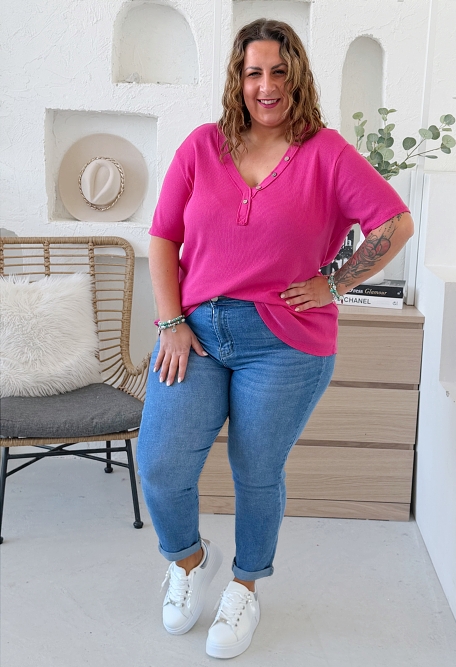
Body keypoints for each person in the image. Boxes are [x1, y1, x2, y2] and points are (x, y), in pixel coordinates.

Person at [137, 18, 414, 659]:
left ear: (298, 77)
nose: (267, 86)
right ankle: (189, 562)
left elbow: (394, 224)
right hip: (197, 333)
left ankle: (245, 586)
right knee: (161, 462)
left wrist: (334, 283)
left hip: (284, 343)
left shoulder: (327, 153)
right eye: (254, 72)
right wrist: (170, 322)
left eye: (280, 72)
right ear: (238, 80)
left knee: (256, 470)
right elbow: (163, 237)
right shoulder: (203, 146)